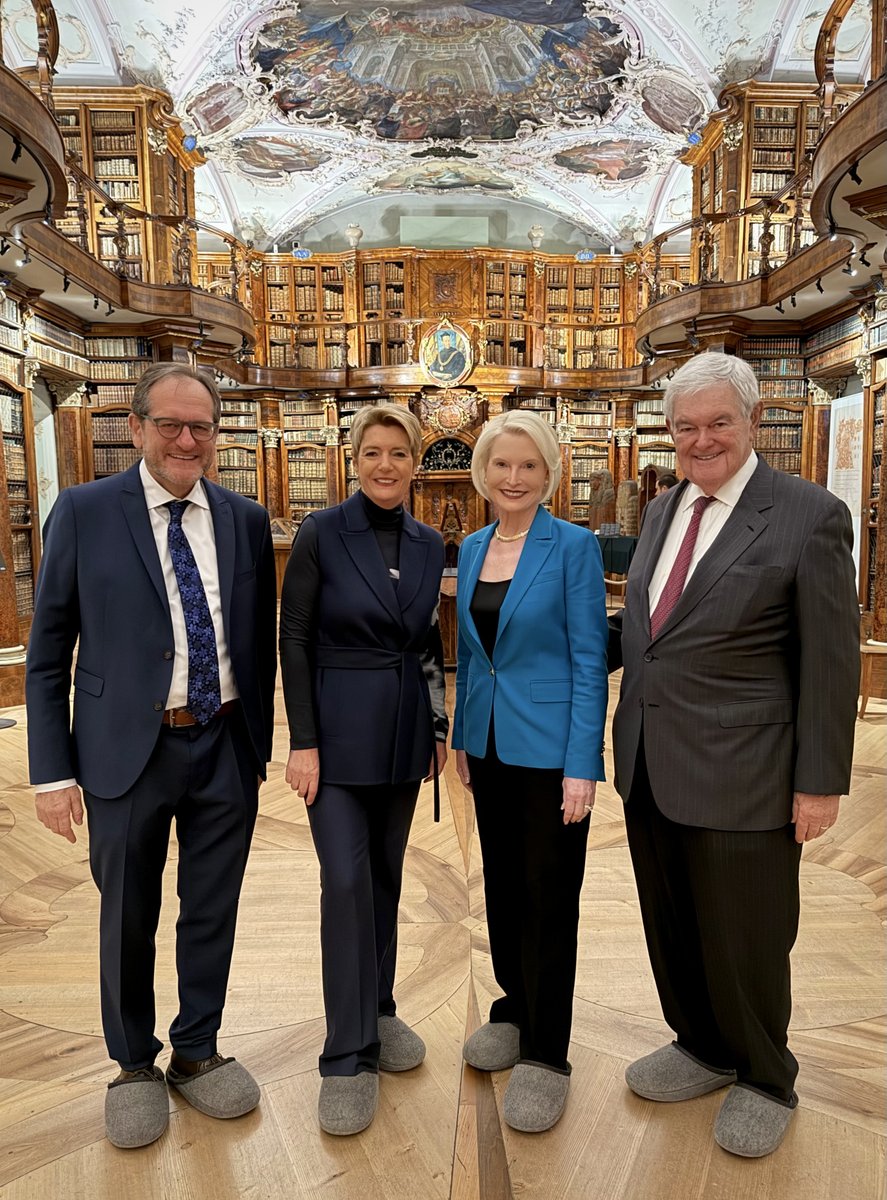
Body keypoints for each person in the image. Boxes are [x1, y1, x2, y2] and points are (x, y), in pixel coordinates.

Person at [611, 353, 858, 1157]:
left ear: (752, 421)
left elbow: (830, 659)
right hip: (650, 759)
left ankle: (763, 1074)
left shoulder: (808, 515)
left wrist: (817, 783)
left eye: (718, 422)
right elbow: (651, 632)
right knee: (672, 922)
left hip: (748, 770)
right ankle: (701, 1045)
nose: (701, 440)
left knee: (745, 935)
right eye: (685, 426)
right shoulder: (661, 510)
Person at [25, 363, 277, 1149]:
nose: (185, 440)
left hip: (224, 741)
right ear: (135, 428)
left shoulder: (243, 518)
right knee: (127, 913)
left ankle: (197, 1050)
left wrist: (259, 746)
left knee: (212, 908)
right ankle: (133, 1064)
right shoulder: (83, 511)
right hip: (123, 751)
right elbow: (47, 652)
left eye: (200, 426)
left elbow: (256, 638)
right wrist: (52, 771)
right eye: (169, 424)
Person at [279, 402, 448, 1136]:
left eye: (399, 453)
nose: (386, 465)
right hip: (336, 734)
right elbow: (293, 638)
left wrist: (437, 724)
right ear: (353, 460)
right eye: (373, 452)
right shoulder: (321, 532)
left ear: (415, 464)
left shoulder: (429, 541)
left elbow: (429, 643)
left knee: (383, 878)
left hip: (405, 731)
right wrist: (303, 741)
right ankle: (346, 1057)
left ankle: (378, 1008)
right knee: (345, 883)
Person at [452, 409, 609, 1133]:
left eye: (528, 466)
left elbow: (588, 659)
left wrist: (582, 764)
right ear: (482, 471)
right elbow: (471, 653)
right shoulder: (473, 544)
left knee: (550, 899)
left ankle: (547, 1053)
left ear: (549, 474)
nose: (513, 478)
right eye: (501, 464)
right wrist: (462, 735)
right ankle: (514, 1008)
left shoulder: (573, 546)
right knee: (505, 889)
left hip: (551, 754)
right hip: (487, 747)